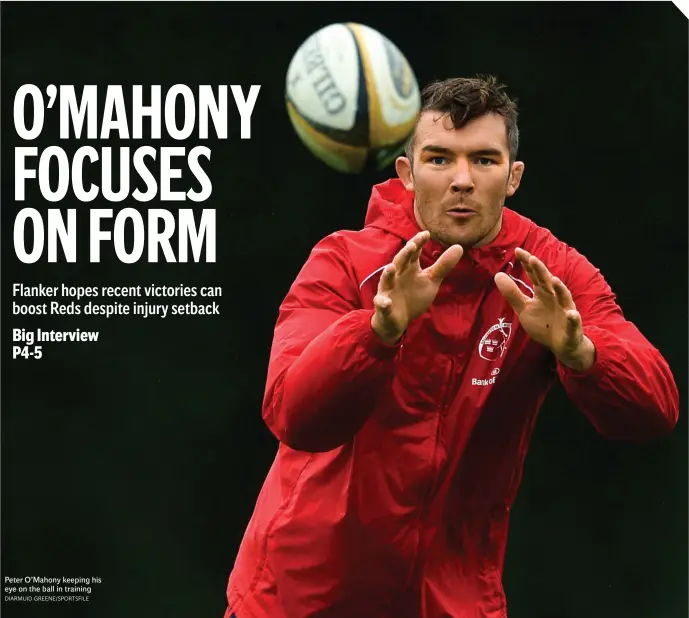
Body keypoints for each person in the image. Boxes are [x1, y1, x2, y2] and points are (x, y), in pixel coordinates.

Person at [223, 75, 679, 618]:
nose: (462, 180)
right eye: (439, 159)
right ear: (407, 173)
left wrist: (585, 356)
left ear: (513, 178)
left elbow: (656, 412)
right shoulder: (342, 262)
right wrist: (376, 333)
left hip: (456, 603)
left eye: (484, 161)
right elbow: (294, 416)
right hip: (300, 598)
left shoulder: (550, 272)